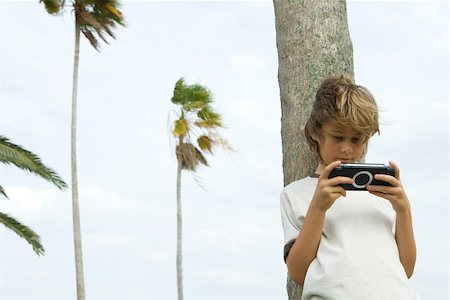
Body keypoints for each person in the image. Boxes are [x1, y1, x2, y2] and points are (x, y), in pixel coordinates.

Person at [280, 75, 419, 299]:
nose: (347, 148)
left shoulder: (383, 193)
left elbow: (406, 269)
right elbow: (298, 272)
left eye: (357, 140)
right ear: (315, 132)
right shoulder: (295, 194)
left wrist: (404, 210)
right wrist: (318, 208)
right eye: (337, 136)